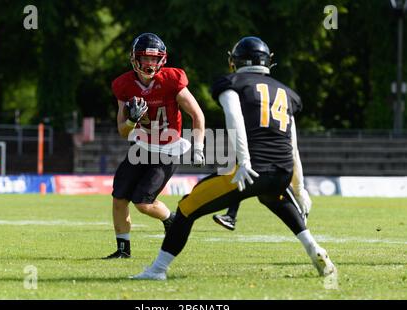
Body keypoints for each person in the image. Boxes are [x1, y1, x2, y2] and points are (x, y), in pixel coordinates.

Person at [131, 36, 336, 279]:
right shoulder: (285, 92)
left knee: (187, 207)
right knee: (274, 200)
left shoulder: (233, 83)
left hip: (252, 168)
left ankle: (157, 270)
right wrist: (299, 187)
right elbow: (292, 143)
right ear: (267, 61)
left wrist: (245, 161)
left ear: (235, 61)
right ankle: (315, 249)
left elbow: (234, 118)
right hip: (282, 171)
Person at [103, 33, 205, 259]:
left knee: (143, 202)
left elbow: (197, 114)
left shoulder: (172, 79)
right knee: (119, 197)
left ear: (162, 60)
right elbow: (122, 130)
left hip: (168, 150)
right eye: (145, 58)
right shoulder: (124, 85)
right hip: (142, 147)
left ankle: (172, 219)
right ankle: (123, 250)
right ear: (134, 58)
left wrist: (198, 147)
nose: (150, 63)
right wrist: (131, 121)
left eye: (154, 58)